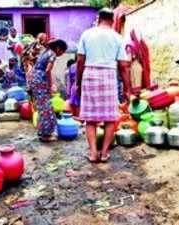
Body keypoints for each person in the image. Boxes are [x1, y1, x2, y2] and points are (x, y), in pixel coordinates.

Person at [76, 8, 131, 163]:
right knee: (110, 118)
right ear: (113, 21)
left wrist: (78, 83)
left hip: (90, 74)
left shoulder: (87, 34)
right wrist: (127, 89)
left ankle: (93, 153)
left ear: (98, 18)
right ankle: (105, 153)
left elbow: (80, 61)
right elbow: (123, 65)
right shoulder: (117, 37)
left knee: (90, 119)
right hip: (108, 76)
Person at [31, 39, 68, 142]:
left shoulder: (45, 52)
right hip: (41, 81)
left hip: (35, 80)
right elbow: (48, 70)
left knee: (42, 107)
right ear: (58, 48)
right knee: (46, 108)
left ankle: (42, 132)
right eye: (62, 51)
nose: (62, 54)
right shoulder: (52, 54)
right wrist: (50, 84)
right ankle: (45, 135)